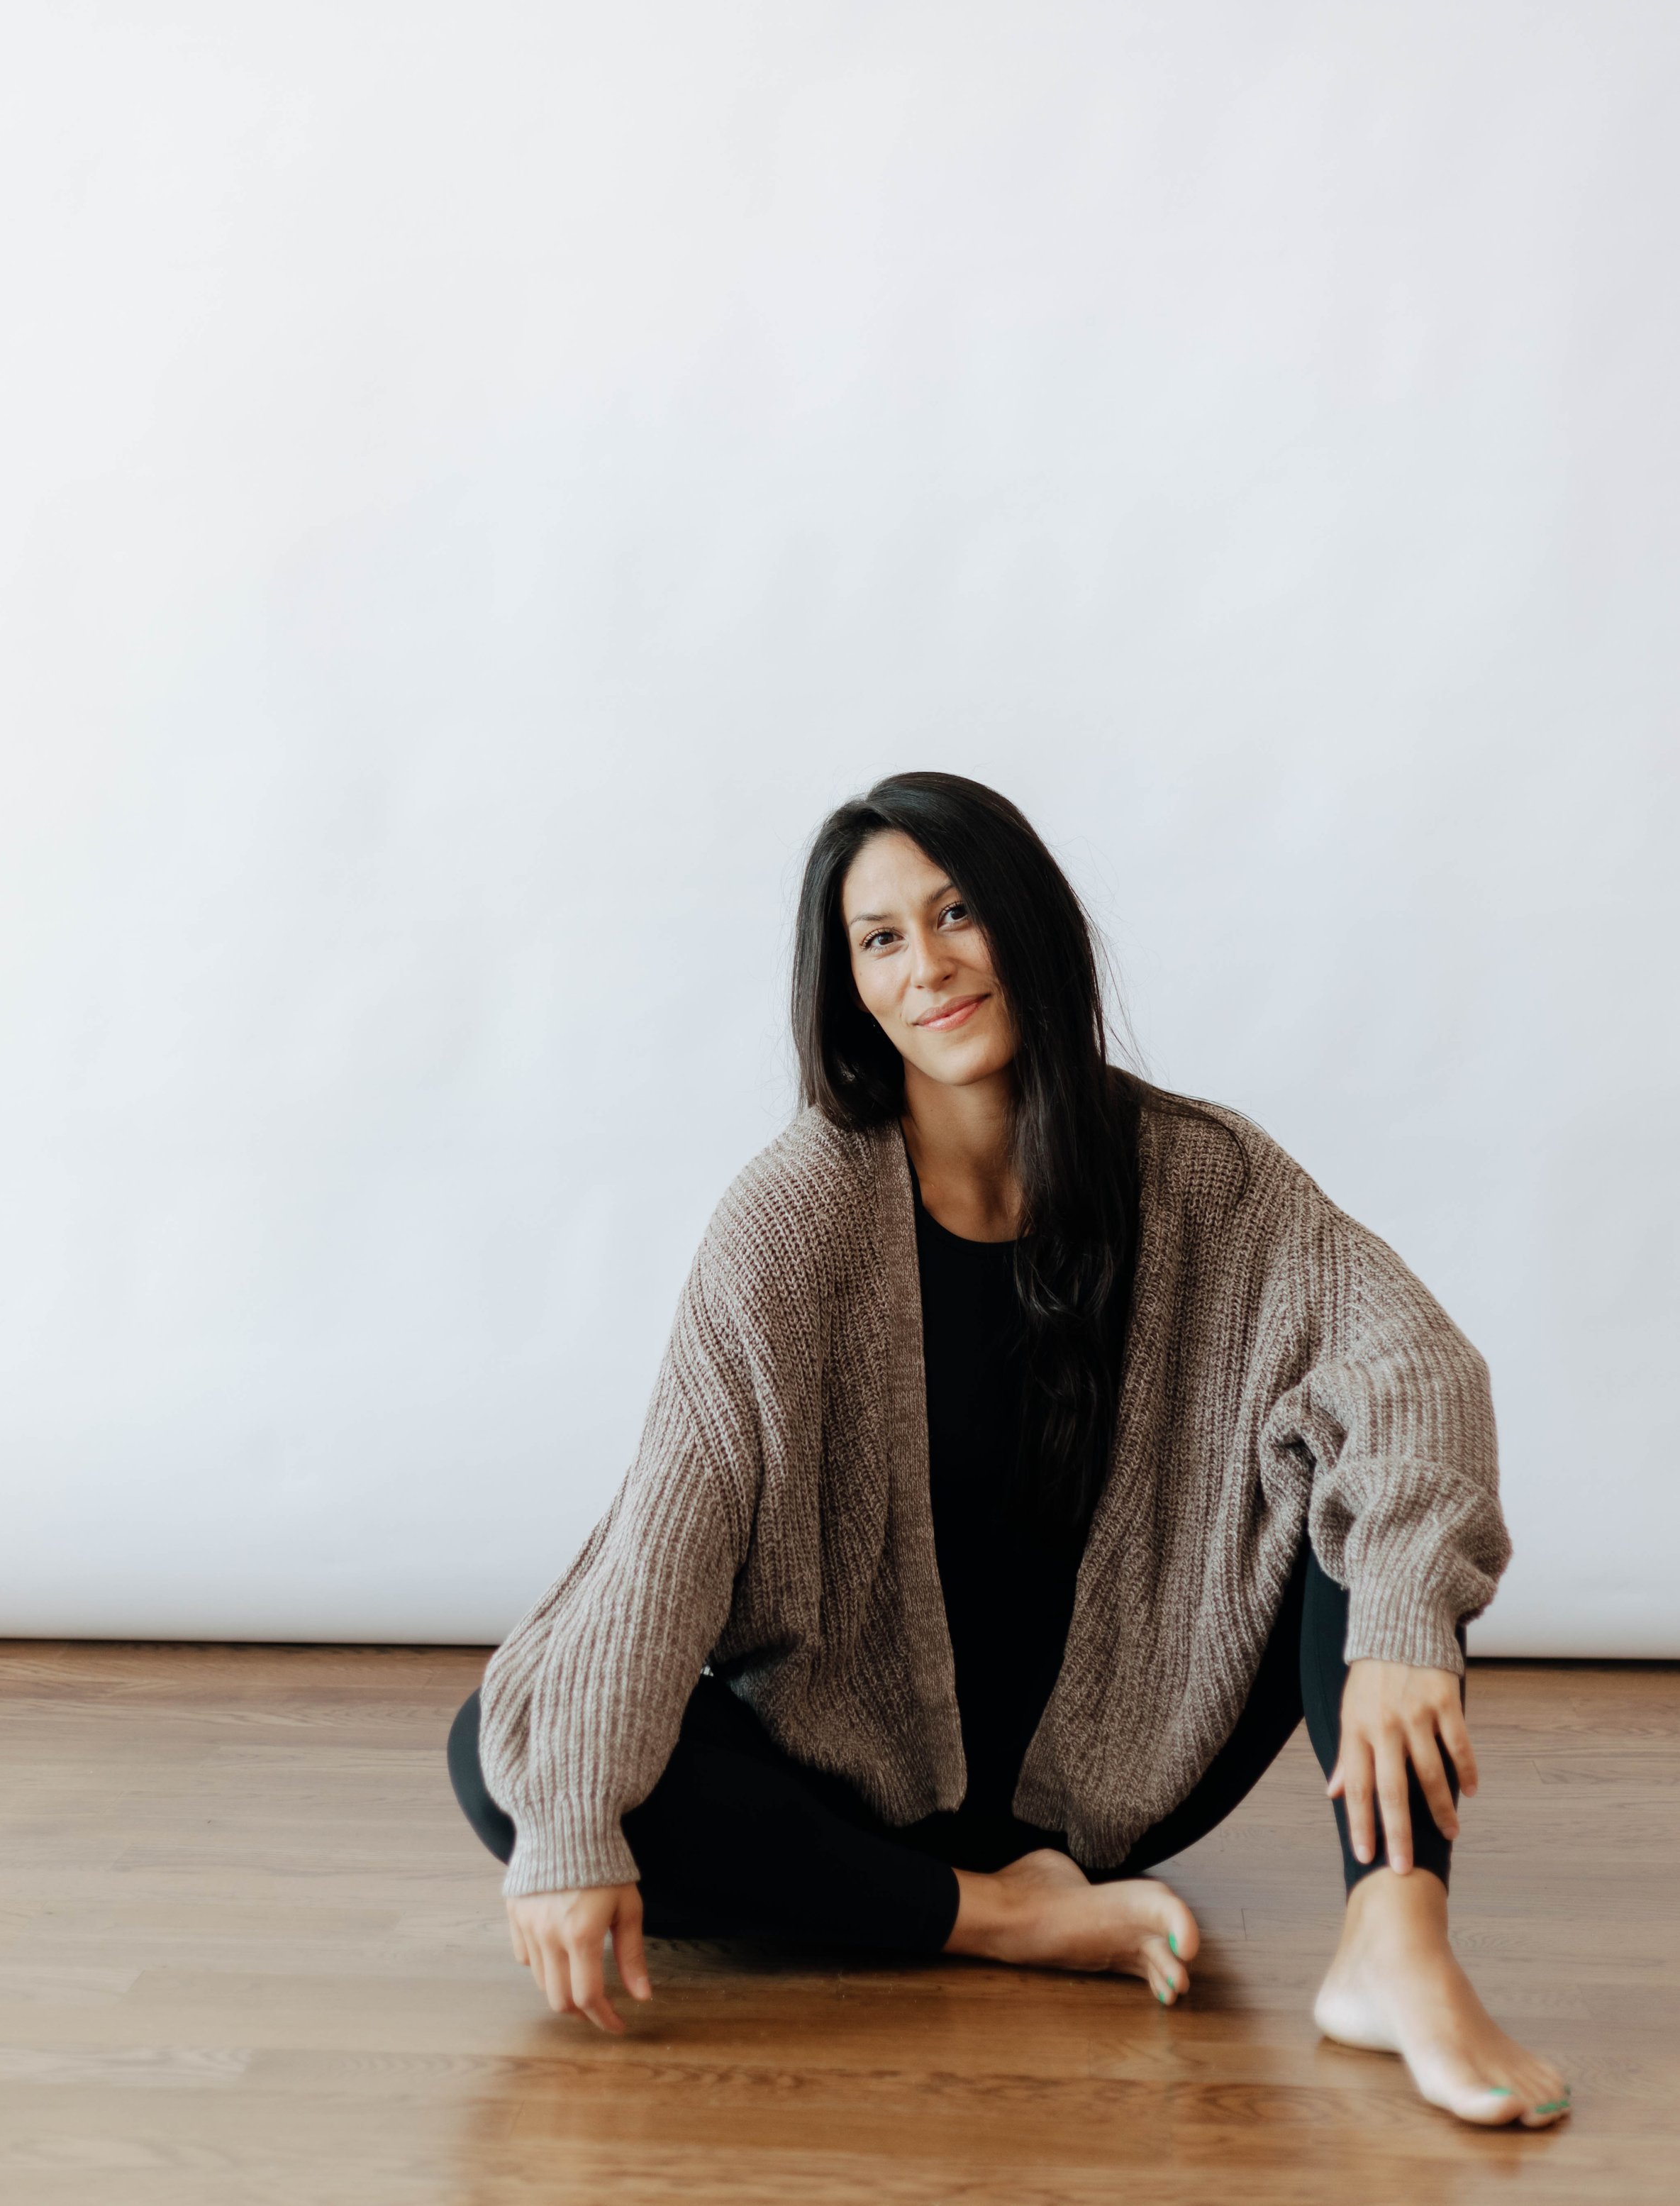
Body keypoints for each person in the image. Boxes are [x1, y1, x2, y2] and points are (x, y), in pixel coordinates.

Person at [447, 772, 1570, 2130]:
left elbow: (1414, 1365)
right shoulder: (795, 1220)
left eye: (959, 910)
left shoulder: (1200, 1175)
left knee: (1371, 1481)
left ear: (1030, 923)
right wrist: (571, 1825)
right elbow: (666, 1539)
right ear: (849, 986)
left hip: (1116, 1766)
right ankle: (999, 1918)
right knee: (509, 1749)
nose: (928, 965)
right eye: (880, 939)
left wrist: (1397, 1619)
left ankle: (1395, 1940)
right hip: (851, 1776)